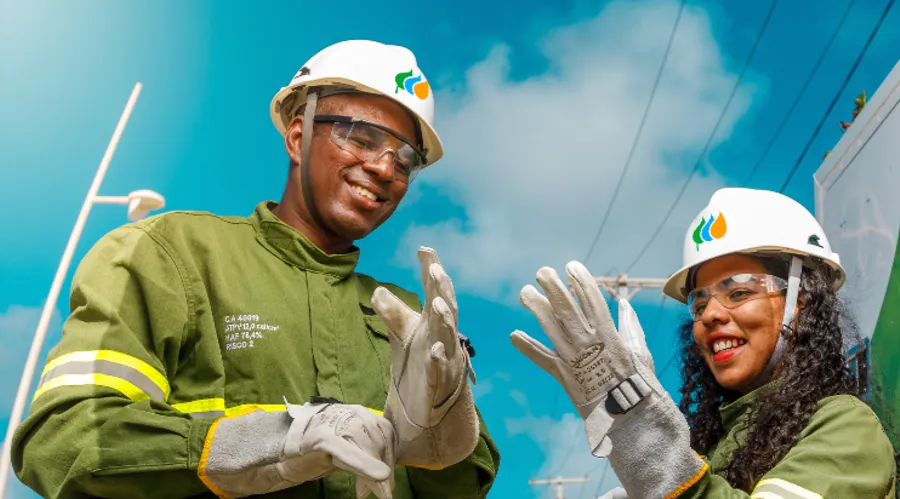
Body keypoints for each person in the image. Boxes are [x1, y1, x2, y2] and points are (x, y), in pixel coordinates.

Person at [11, 40, 499, 499]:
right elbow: (65, 441)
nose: (384, 169)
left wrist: (445, 439)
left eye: (405, 159)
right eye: (362, 137)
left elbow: (462, 486)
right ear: (297, 135)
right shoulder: (170, 255)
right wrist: (269, 442)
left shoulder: (408, 315)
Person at [510, 187, 897, 498]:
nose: (710, 314)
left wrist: (647, 443)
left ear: (803, 304)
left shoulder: (847, 428)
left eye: (739, 292)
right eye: (699, 302)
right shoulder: (710, 446)